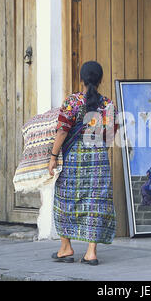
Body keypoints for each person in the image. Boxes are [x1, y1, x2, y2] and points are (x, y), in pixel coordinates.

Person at [48, 61, 118, 266]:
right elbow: (111, 137)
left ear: (82, 79)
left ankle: (66, 247)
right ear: (101, 79)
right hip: (99, 162)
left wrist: (53, 157)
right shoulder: (108, 105)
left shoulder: (73, 101)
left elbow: (62, 130)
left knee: (64, 200)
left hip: (73, 160)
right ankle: (91, 252)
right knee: (95, 203)